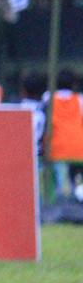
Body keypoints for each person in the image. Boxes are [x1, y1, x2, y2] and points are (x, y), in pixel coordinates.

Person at [46, 67, 83, 199]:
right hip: (79, 149)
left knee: (62, 183)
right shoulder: (80, 99)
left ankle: (64, 200)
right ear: (74, 84)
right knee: (74, 178)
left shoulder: (48, 98)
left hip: (57, 149)